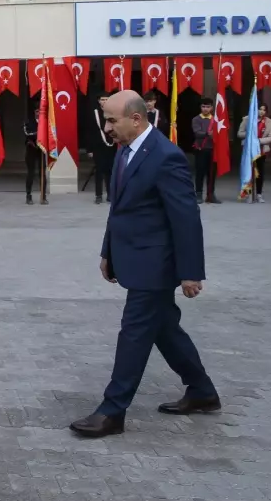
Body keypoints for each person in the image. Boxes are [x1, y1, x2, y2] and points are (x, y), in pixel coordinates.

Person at [69, 91, 219, 438]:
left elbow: (185, 218)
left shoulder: (166, 156)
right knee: (165, 329)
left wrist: (191, 272)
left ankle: (112, 410)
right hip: (131, 256)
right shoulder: (125, 150)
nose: (107, 127)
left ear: (136, 119)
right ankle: (202, 392)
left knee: (135, 333)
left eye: (111, 120)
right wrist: (108, 253)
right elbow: (119, 209)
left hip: (156, 263)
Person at [237, 102, 271, 202]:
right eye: (260, 109)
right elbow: (239, 133)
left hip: (261, 150)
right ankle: (248, 193)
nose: (261, 112)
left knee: (260, 173)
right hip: (248, 149)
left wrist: (259, 141)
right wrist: (250, 135)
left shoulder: (269, 122)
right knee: (248, 172)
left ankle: (259, 194)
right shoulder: (247, 119)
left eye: (264, 110)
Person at [190, 98, 220, 204]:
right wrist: (208, 134)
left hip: (213, 150)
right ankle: (198, 194)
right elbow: (197, 133)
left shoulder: (216, 120)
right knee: (200, 172)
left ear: (212, 108)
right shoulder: (196, 119)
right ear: (200, 107)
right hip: (201, 149)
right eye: (203, 106)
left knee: (211, 173)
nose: (205, 109)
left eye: (208, 107)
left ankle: (211, 194)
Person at [91, 93, 116, 204]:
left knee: (110, 171)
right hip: (98, 146)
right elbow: (89, 131)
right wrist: (89, 149)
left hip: (111, 145)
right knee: (99, 171)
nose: (104, 101)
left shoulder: (114, 113)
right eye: (102, 99)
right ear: (99, 101)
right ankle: (98, 195)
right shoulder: (95, 113)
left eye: (107, 99)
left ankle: (110, 194)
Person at [24, 106, 44, 205]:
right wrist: (39, 133)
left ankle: (43, 196)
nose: (38, 113)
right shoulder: (28, 122)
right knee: (30, 173)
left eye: (40, 111)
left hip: (42, 150)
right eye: (37, 111)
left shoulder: (45, 122)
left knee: (42, 173)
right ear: (34, 112)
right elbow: (28, 133)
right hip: (31, 149)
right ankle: (28, 195)